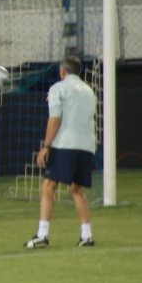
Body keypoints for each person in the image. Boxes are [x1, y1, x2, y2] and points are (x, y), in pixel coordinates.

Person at [24, 55, 97, 248]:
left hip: (65, 143)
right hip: (87, 145)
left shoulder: (58, 88)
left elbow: (54, 118)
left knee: (48, 186)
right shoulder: (89, 91)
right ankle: (86, 235)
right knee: (76, 189)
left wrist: (46, 146)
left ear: (62, 71)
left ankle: (42, 235)